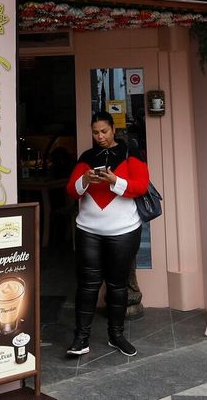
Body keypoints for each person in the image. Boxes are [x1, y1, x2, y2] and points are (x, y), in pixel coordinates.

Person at [66, 112, 150, 358]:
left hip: (123, 232)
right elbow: (72, 190)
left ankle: (117, 335)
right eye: (95, 132)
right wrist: (85, 179)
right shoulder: (87, 157)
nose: (99, 136)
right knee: (87, 286)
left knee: (117, 285)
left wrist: (114, 179)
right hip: (88, 230)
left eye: (104, 131)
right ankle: (81, 338)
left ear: (113, 129)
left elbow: (141, 186)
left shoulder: (130, 153)